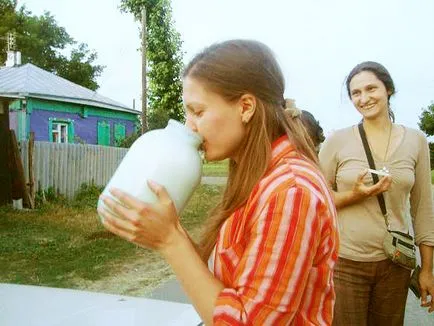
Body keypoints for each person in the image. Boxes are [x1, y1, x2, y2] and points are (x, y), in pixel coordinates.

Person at [98, 39, 339, 325]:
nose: (189, 125)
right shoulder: (256, 173)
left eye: (198, 111)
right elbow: (228, 282)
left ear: (246, 107)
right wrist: (168, 228)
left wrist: (170, 241)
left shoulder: (291, 192)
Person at [319, 61, 434, 325]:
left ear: (389, 89)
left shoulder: (416, 141)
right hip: (346, 263)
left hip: (396, 263)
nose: (364, 98)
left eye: (371, 88)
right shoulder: (338, 140)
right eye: (356, 93)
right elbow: (316, 200)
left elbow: (423, 209)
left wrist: (427, 270)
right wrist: (354, 195)